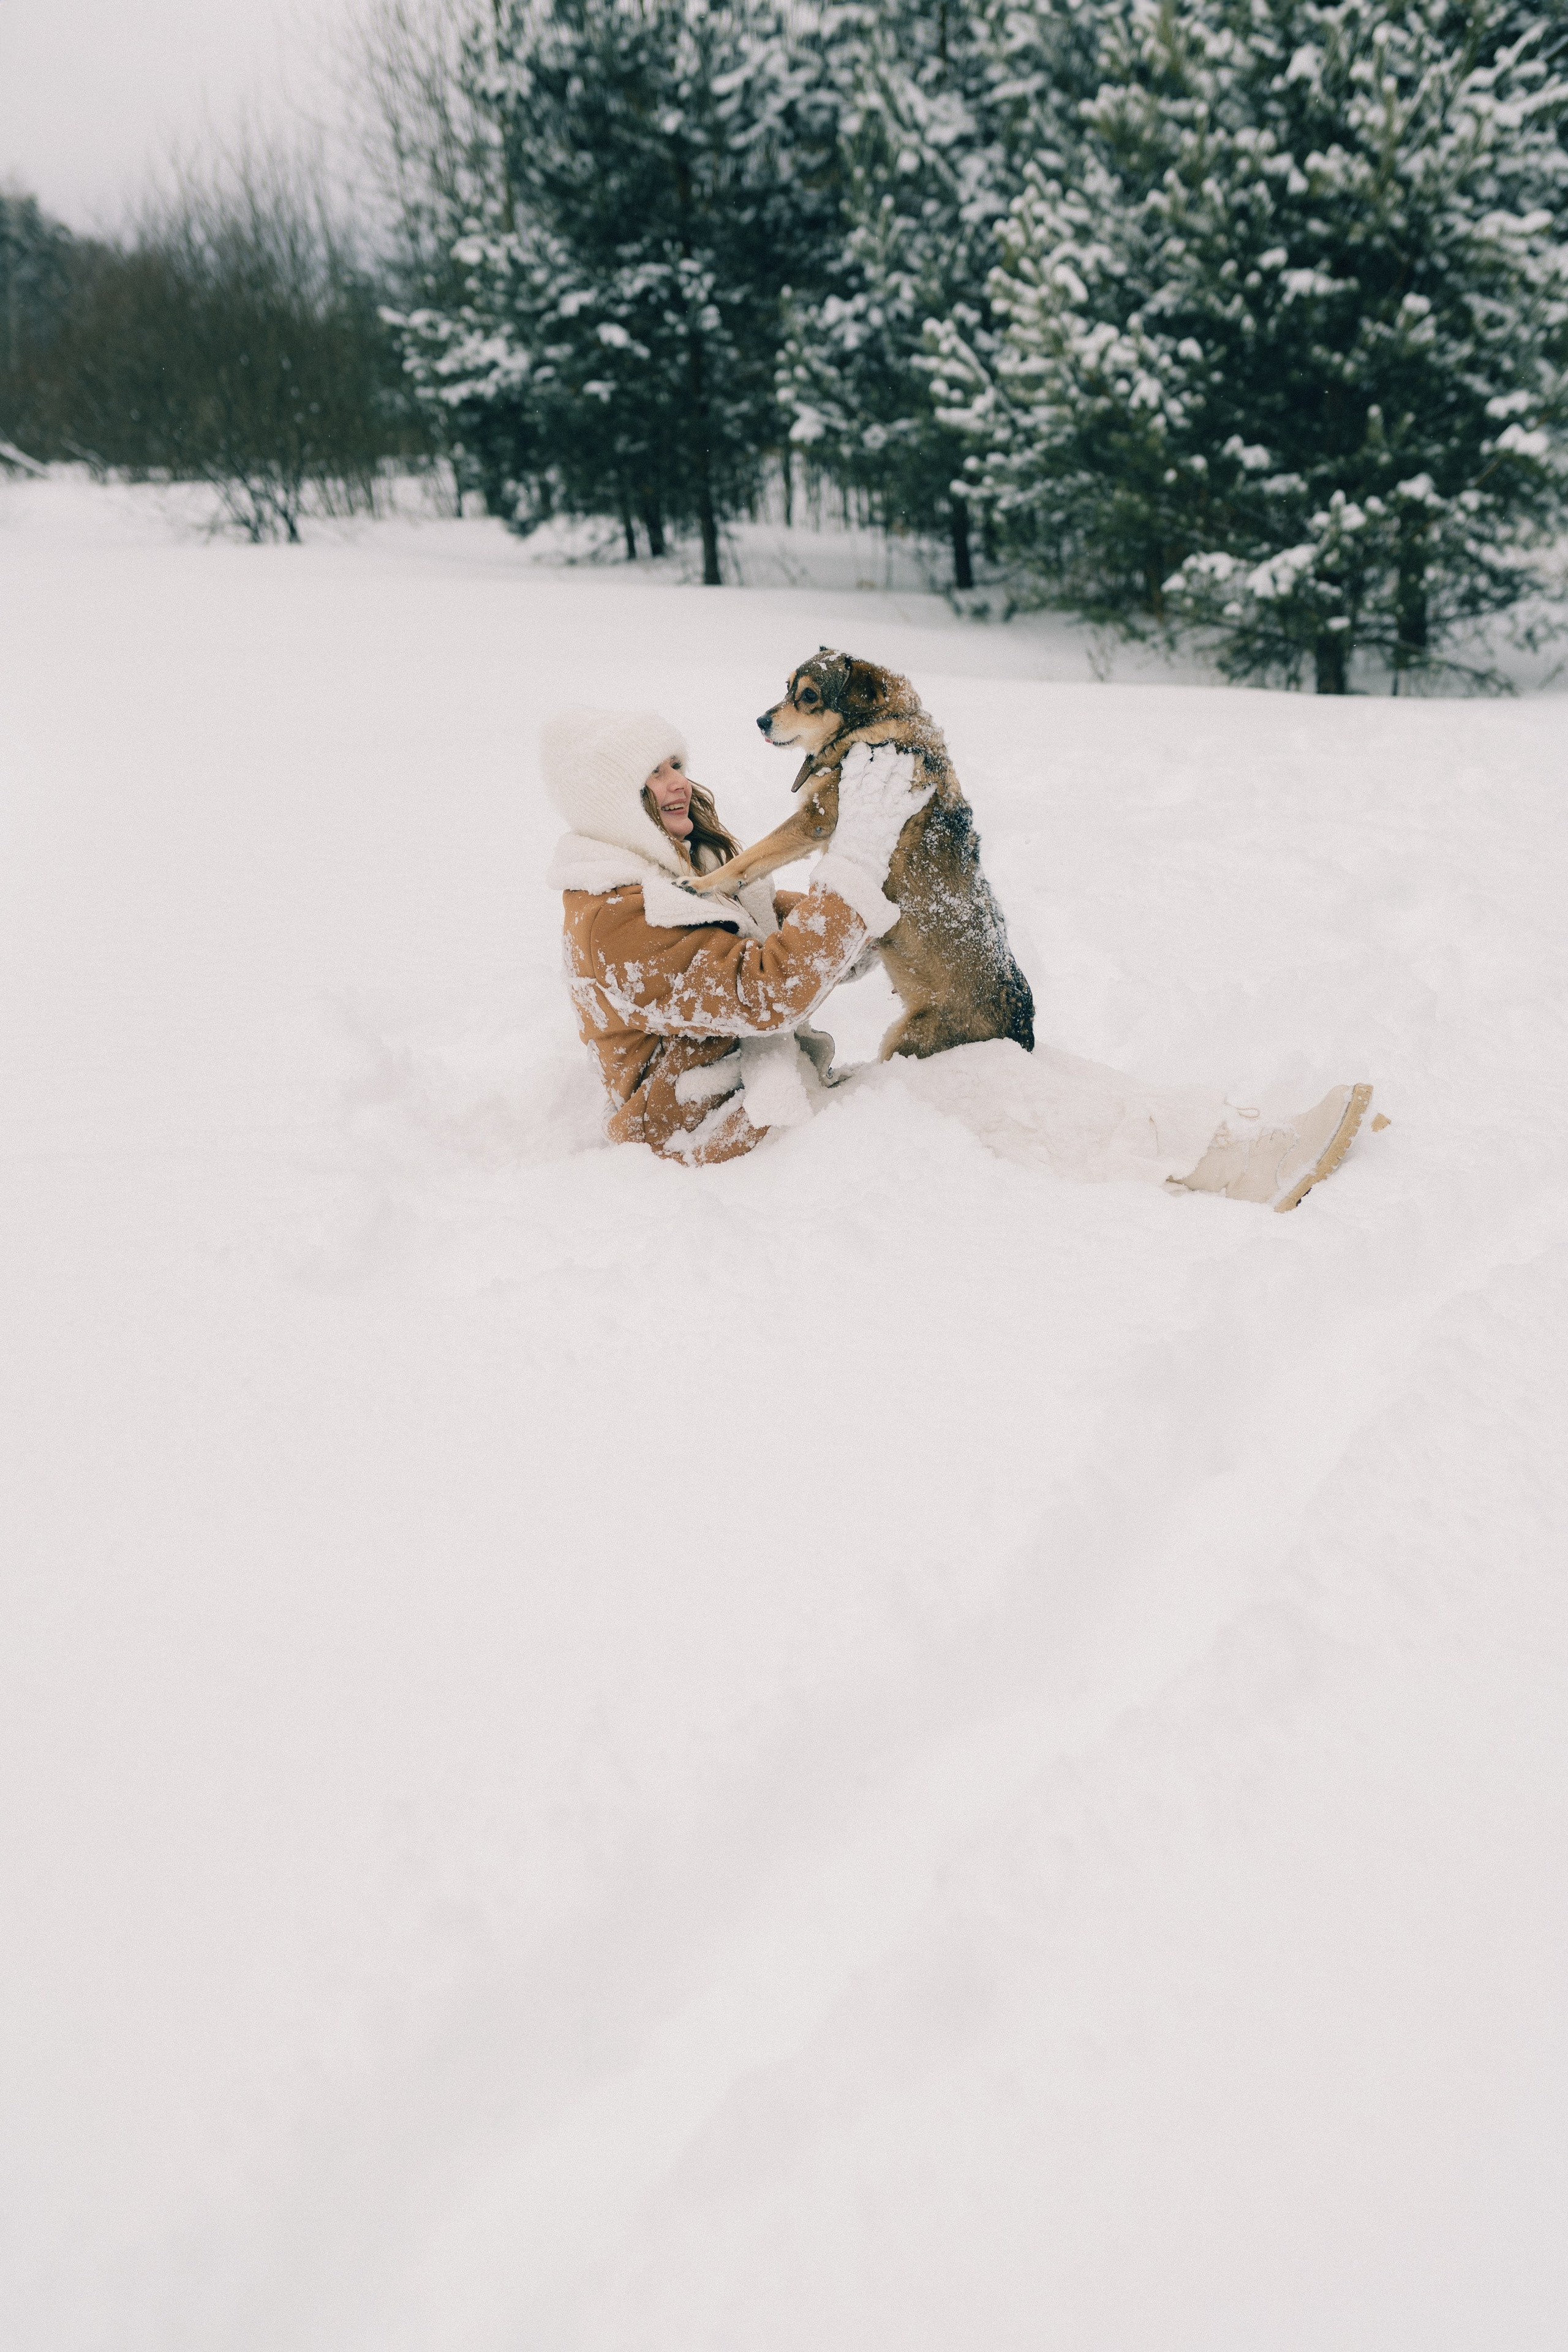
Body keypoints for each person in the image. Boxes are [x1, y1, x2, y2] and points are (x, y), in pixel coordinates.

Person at [541, 704, 1375, 1202]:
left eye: (678, 763)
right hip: (710, 1146)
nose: (679, 783)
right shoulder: (617, 918)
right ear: (610, 801)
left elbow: (800, 927)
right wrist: (854, 864)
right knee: (974, 1090)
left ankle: (1233, 1135)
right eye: (653, 775)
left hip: (758, 1104)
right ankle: (1235, 1169)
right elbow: (770, 993)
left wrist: (894, 867)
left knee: (1002, 1060)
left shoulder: (677, 874)